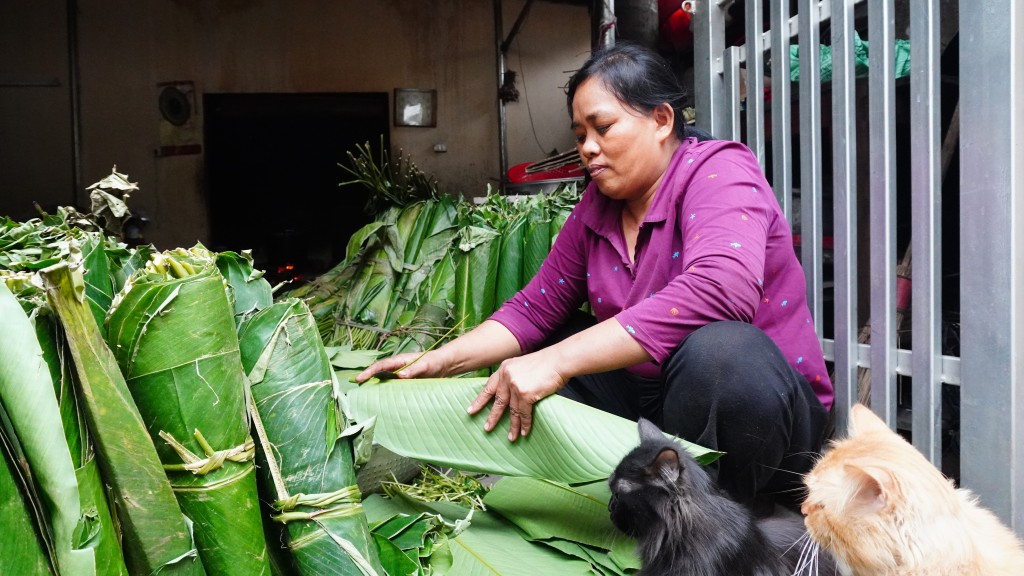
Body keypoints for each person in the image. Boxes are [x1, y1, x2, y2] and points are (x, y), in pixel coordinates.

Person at [357, 42, 833, 511]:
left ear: (662, 120)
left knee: (723, 353)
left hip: (762, 418)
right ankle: (614, 498)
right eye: (580, 133)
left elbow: (720, 289)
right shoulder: (597, 208)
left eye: (603, 128)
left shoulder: (718, 171)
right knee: (546, 348)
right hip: (659, 415)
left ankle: (726, 518)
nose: (587, 148)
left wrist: (559, 361)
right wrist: (440, 361)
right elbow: (533, 309)